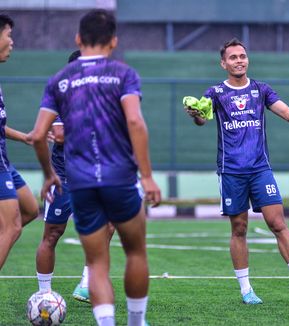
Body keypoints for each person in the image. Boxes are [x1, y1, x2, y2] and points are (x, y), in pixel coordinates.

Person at [30, 9, 161, 326]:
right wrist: (146, 175)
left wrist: (49, 173)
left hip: (80, 180)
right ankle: (135, 321)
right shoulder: (123, 74)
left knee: (97, 262)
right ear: (113, 41)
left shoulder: (59, 81)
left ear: (78, 39)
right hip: (119, 177)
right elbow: (134, 121)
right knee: (135, 252)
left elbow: (37, 135)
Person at [186, 38, 289, 304]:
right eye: (233, 57)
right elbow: (202, 119)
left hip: (260, 169)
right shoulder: (215, 93)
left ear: (248, 59)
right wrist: (195, 114)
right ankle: (246, 290)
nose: (239, 61)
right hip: (231, 171)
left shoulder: (261, 89)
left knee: (278, 223)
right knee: (239, 228)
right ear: (223, 63)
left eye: (242, 56)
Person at [34, 50, 115, 304]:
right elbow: (59, 135)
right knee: (52, 234)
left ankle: (86, 282)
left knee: (108, 227)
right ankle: (44, 294)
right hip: (64, 179)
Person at [0, 13, 40, 271]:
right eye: (8, 35)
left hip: (4, 161)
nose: (12, 42)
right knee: (12, 226)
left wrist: (24, 136)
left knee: (30, 209)